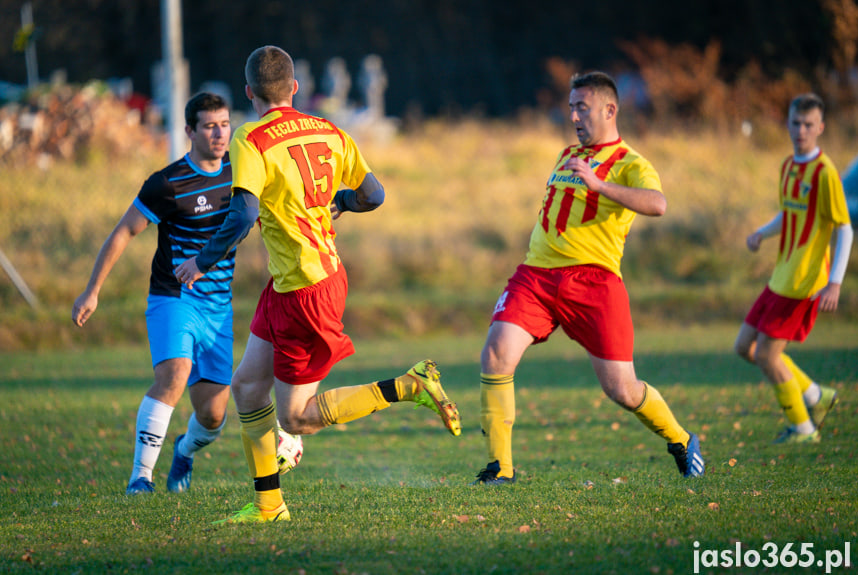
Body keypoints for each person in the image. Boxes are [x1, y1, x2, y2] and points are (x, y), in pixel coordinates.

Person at [173, 45, 461, 524]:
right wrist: (341, 201)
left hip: (308, 287)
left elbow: (244, 212)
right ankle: (269, 506)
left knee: (297, 418)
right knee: (246, 388)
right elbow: (374, 195)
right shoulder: (329, 129)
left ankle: (409, 385)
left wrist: (202, 260)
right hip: (291, 283)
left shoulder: (252, 137)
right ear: (295, 89)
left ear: (248, 93)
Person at [471, 71, 705, 485]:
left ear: (609, 110)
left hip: (594, 283)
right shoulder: (566, 154)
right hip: (537, 276)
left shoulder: (632, 163)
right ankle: (500, 469)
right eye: (571, 108)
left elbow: (658, 204)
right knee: (496, 353)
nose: (575, 116)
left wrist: (600, 185)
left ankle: (682, 440)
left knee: (622, 389)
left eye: (582, 107)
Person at [72, 93, 236, 495]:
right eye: (210, 125)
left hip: (219, 308)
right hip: (174, 297)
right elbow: (124, 231)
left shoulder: (241, 173)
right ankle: (139, 478)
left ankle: (185, 449)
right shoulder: (167, 183)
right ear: (189, 131)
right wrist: (92, 291)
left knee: (213, 417)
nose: (219, 133)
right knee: (174, 374)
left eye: (225, 124)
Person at [734, 93, 853, 444]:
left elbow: (843, 227)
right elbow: (789, 213)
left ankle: (803, 428)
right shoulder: (789, 165)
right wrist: (762, 233)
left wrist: (835, 282)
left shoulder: (825, 173)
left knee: (769, 357)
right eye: (795, 123)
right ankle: (816, 395)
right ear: (787, 124)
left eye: (808, 124)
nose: (801, 130)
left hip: (805, 281)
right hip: (780, 276)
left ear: (820, 127)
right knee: (745, 348)